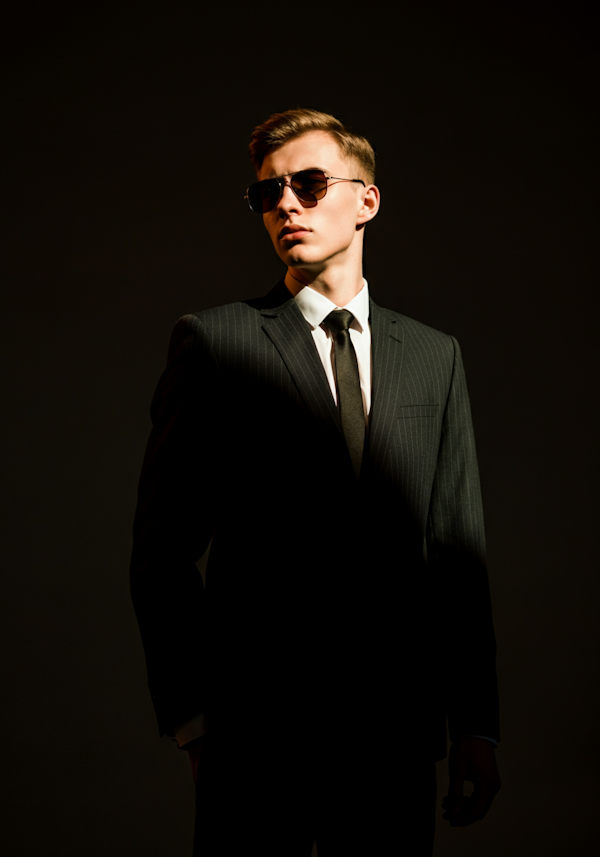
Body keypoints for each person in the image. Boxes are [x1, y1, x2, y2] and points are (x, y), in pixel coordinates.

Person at [130, 108, 501, 856]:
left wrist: (476, 724)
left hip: (395, 738)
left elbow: (457, 555)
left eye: (306, 183)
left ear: (366, 200)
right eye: (267, 194)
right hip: (257, 737)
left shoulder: (435, 355)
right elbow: (161, 549)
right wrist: (196, 721)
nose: (286, 206)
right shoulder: (216, 340)